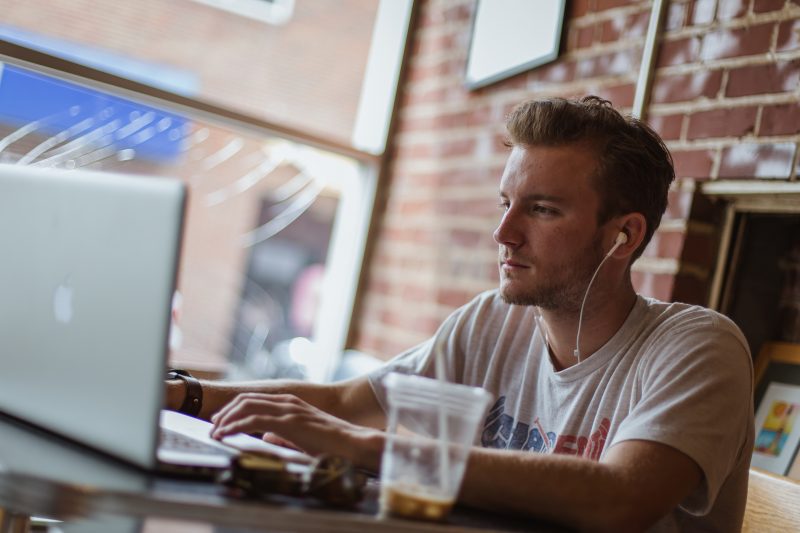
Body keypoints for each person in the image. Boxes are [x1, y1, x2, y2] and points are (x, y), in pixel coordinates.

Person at [167, 96, 754, 532]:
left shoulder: (698, 345)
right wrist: (182, 395)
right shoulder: (490, 323)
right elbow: (351, 403)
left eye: (542, 210)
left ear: (622, 236)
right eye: (506, 204)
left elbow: (620, 498)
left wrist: (359, 447)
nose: (504, 233)